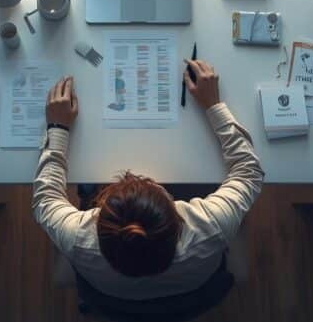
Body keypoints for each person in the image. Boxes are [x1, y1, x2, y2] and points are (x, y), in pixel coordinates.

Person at [32, 59, 264, 300]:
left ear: (97, 217)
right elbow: (249, 172)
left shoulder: (78, 238)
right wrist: (214, 105)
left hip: (110, 292)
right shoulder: (210, 225)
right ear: (178, 214)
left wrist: (58, 127)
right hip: (193, 286)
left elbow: (45, 201)